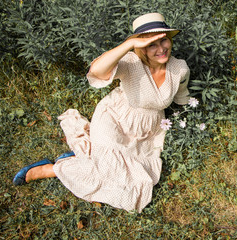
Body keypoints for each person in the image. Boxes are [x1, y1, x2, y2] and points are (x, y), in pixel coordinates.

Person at [13, 13, 190, 213]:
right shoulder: (131, 62)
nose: (160, 49)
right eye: (151, 44)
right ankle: (50, 169)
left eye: (163, 40)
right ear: (140, 46)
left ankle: (80, 159)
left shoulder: (179, 68)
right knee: (110, 167)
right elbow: (97, 71)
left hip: (145, 132)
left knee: (131, 187)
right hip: (114, 117)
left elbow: (182, 96)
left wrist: (190, 117)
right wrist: (128, 45)